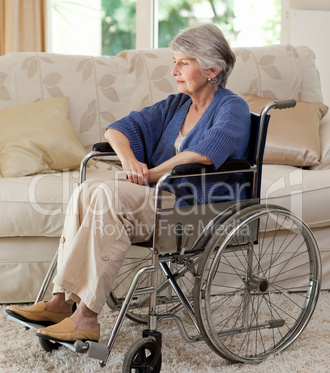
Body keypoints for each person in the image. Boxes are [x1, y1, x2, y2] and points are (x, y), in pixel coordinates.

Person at [6, 23, 251, 343]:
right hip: (160, 200)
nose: (174, 70)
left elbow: (203, 154)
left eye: (183, 62)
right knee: (87, 191)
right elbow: (118, 129)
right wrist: (130, 161)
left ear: (211, 70)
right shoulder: (177, 105)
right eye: (174, 61)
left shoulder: (232, 107)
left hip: (194, 209)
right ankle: (60, 302)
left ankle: (86, 317)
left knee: (106, 194)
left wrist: (150, 174)